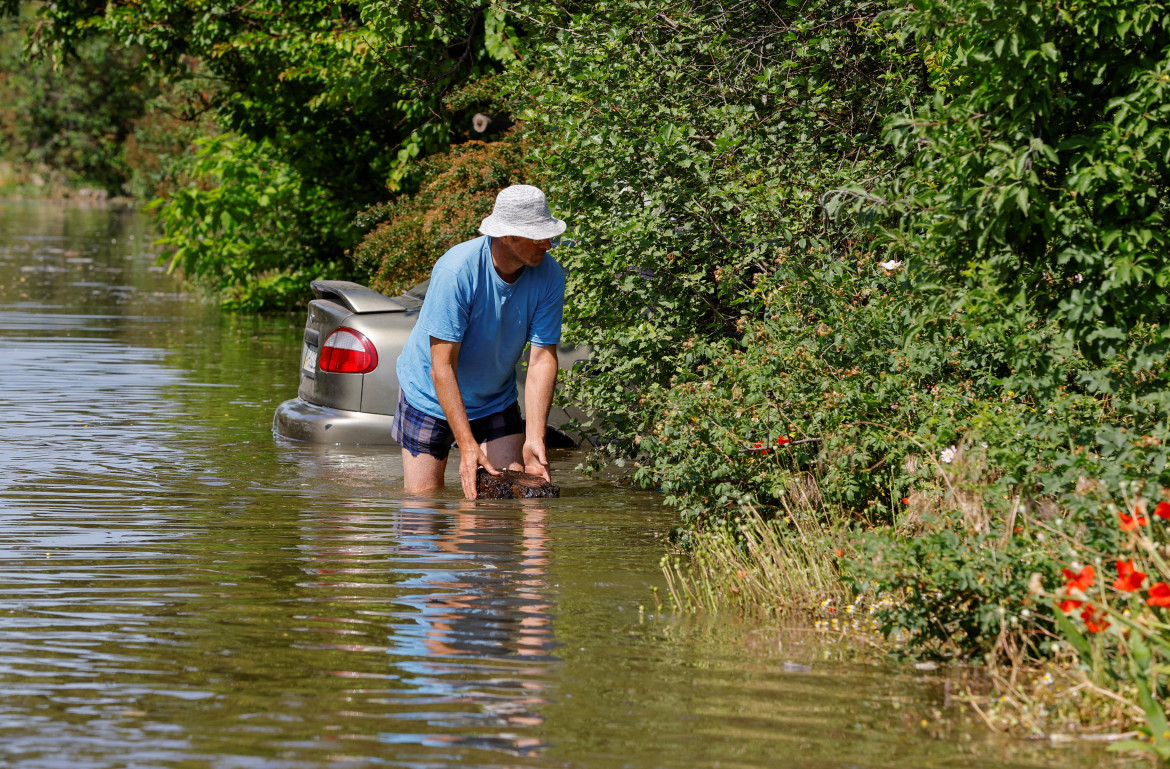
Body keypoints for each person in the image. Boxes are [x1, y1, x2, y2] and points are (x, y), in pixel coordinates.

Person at [392, 184, 567, 499]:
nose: (549, 245)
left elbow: (542, 359)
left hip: (493, 398)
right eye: (540, 237)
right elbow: (442, 365)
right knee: (424, 506)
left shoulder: (550, 276)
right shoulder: (456, 271)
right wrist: (468, 446)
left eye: (549, 235)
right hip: (429, 396)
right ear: (508, 237)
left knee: (506, 507)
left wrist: (534, 438)